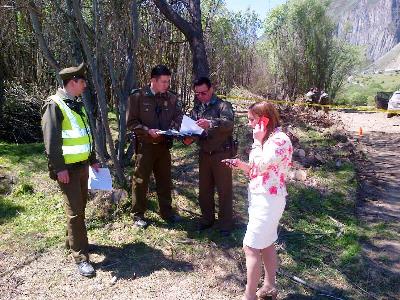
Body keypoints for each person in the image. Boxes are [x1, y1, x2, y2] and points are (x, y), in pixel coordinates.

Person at [222, 101, 293, 300]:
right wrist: (241, 165)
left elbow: (261, 164)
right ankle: (269, 286)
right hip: (262, 198)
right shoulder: (269, 140)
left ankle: (249, 296)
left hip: (269, 201)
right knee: (267, 243)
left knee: (251, 247)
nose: (250, 124)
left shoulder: (279, 140)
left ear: (264, 120)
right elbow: (260, 169)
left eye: (252, 120)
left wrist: (256, 142)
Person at [41, 63, 100, 277]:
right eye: (82, 81)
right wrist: (59, 169)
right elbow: (51, 142)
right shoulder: (54, 104)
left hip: (82, 166)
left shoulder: (75, 104)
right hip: (67, 170)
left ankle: (74, 242)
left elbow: (85, 134)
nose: (85, 85)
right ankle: (81, 257)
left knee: (79, 208)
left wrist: (92, 159)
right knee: (75, 213)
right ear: (73, 81)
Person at [126, 65, 183, 228]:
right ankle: (138, 214)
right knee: (141, 180)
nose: (167, 85)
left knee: (165, 180)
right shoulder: (138, 96)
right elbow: (131, 122)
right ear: (153, 80)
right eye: (163, 82)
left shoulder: (170, 98)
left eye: (168, 82)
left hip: (164, 145)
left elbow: (178, 116)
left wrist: (181, 127)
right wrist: (146, 130)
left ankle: (166, 212)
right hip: (145, 146)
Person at [183, 77, 235, 237]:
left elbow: (228, 124)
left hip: (222, 154)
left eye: (203, 93)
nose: (200, 96)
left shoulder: (223, 105)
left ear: (211, 89)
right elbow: (192, 130)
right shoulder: (196, 110)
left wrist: (211, 123)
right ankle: (207, 219)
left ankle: (225, 224)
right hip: (204, 154)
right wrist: (188, 137)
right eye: (197, 94)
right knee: (204, 190)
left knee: (224, 190)